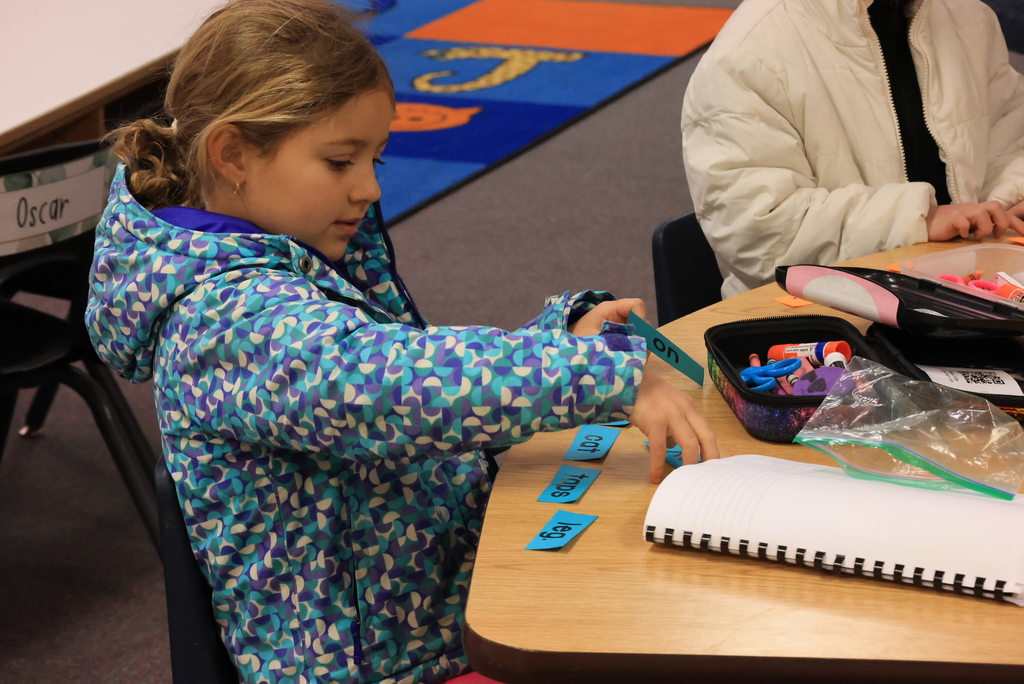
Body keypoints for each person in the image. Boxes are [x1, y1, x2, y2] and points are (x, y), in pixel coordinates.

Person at [85, 1, 719, 682]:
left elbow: (414, 374)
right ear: (232, 154)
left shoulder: (293, 247)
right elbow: (387, 386)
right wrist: (592, 374)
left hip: (433, 614)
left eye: (375, 157)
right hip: (385, 666)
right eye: (340, 161)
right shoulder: (224, 319)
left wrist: (559, 338)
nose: (370, 187)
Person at [680, 0, 1024, 298]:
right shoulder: (745, 55)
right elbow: (758, 230)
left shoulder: (967, 17)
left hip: (972, 293)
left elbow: (1010, 134)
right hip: (820, 322)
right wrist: (918, 220)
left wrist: (1008, 200)